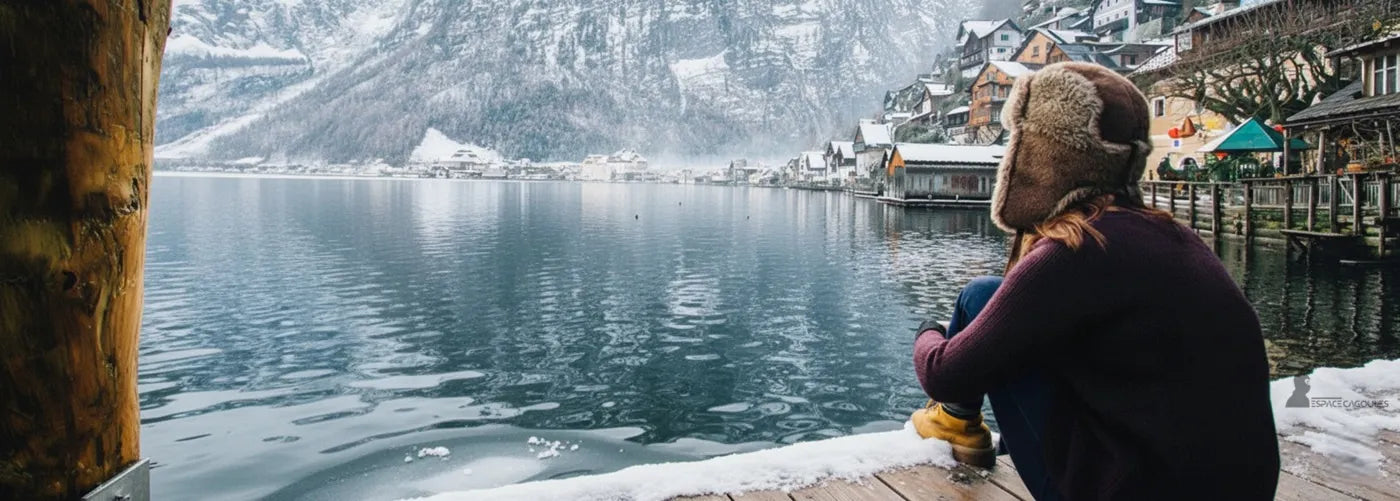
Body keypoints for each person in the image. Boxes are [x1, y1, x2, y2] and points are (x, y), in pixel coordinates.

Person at [907, 63, 1280, 500]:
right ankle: (958, 420)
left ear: (1040, 156)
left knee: (981, 302)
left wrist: (928, 331)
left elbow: (944, 373)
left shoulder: (1075, 249)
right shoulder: (1175, 236)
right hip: (1246, 490)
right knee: (991, 301)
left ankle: (957, 422)